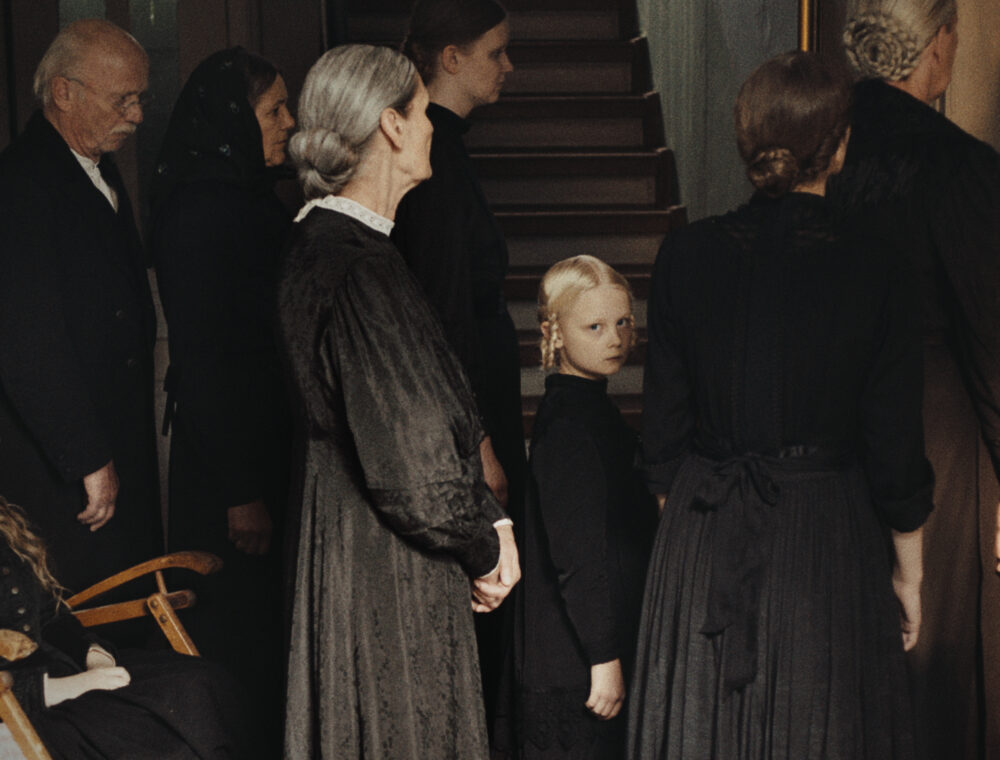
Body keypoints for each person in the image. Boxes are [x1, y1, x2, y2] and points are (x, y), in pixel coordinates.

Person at [631, 51, 933, 759]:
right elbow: (893, 444)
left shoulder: (685, 255)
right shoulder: (879, 263)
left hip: (704, 525)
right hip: (824, 533)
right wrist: (909, 574)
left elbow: (664, 439)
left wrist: (693, 554)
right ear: (840, 145)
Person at [279, 44, 520, 759]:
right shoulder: (355, 265)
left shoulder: (335, 247)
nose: (430, 126)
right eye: (420, 109)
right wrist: (485, 543)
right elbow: (414, 473)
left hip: (353, 548)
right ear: (389, 125)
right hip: (384, 569)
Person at [828, 3, 1000, 756]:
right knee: (938, 644)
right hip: (938, 423)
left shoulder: (819, 144)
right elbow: (988, 328)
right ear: (938, 43)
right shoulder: (959, 164)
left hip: (827, 418)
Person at [147, 47, 296, 757]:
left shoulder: (244, 197)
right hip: (228, 464)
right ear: (234, 119)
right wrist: (242, 491)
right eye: (274, 110)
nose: (290, 124)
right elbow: (203, 359)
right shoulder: (202, 211)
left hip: (258, 446)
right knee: (238, 633)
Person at [392, 0, 523, 725]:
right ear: (450, 57)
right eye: (496, 52)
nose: (509, 66)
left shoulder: (449, 146)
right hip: (466, 407)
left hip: (474, 394)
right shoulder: (433, 154)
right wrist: (478, 442)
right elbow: (442, 313)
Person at [0, 19, 161, 594]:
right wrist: (89, 457)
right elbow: (25, 343)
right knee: (89, 622)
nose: (138, 116)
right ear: (64, 93)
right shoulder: (20, 185)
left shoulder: (95, 168)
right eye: (124, 99)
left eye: (139, 99)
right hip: (66, 471)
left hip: (110, 442)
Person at [506, 255, 656, 759]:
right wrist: (604, 656)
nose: (614, 338)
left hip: (582, 652)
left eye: (623, 323)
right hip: (577, 663)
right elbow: (577, 556)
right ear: (554, 332)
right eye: (593, 326)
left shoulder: (588, 407)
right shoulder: (570, 425)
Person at [0, 494, 249, 759]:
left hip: (57, 667)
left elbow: (49, 614)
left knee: (199, 684)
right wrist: (53, 690)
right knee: (148, 736)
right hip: (20, 700)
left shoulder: (6, 526)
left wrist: (93, 653)